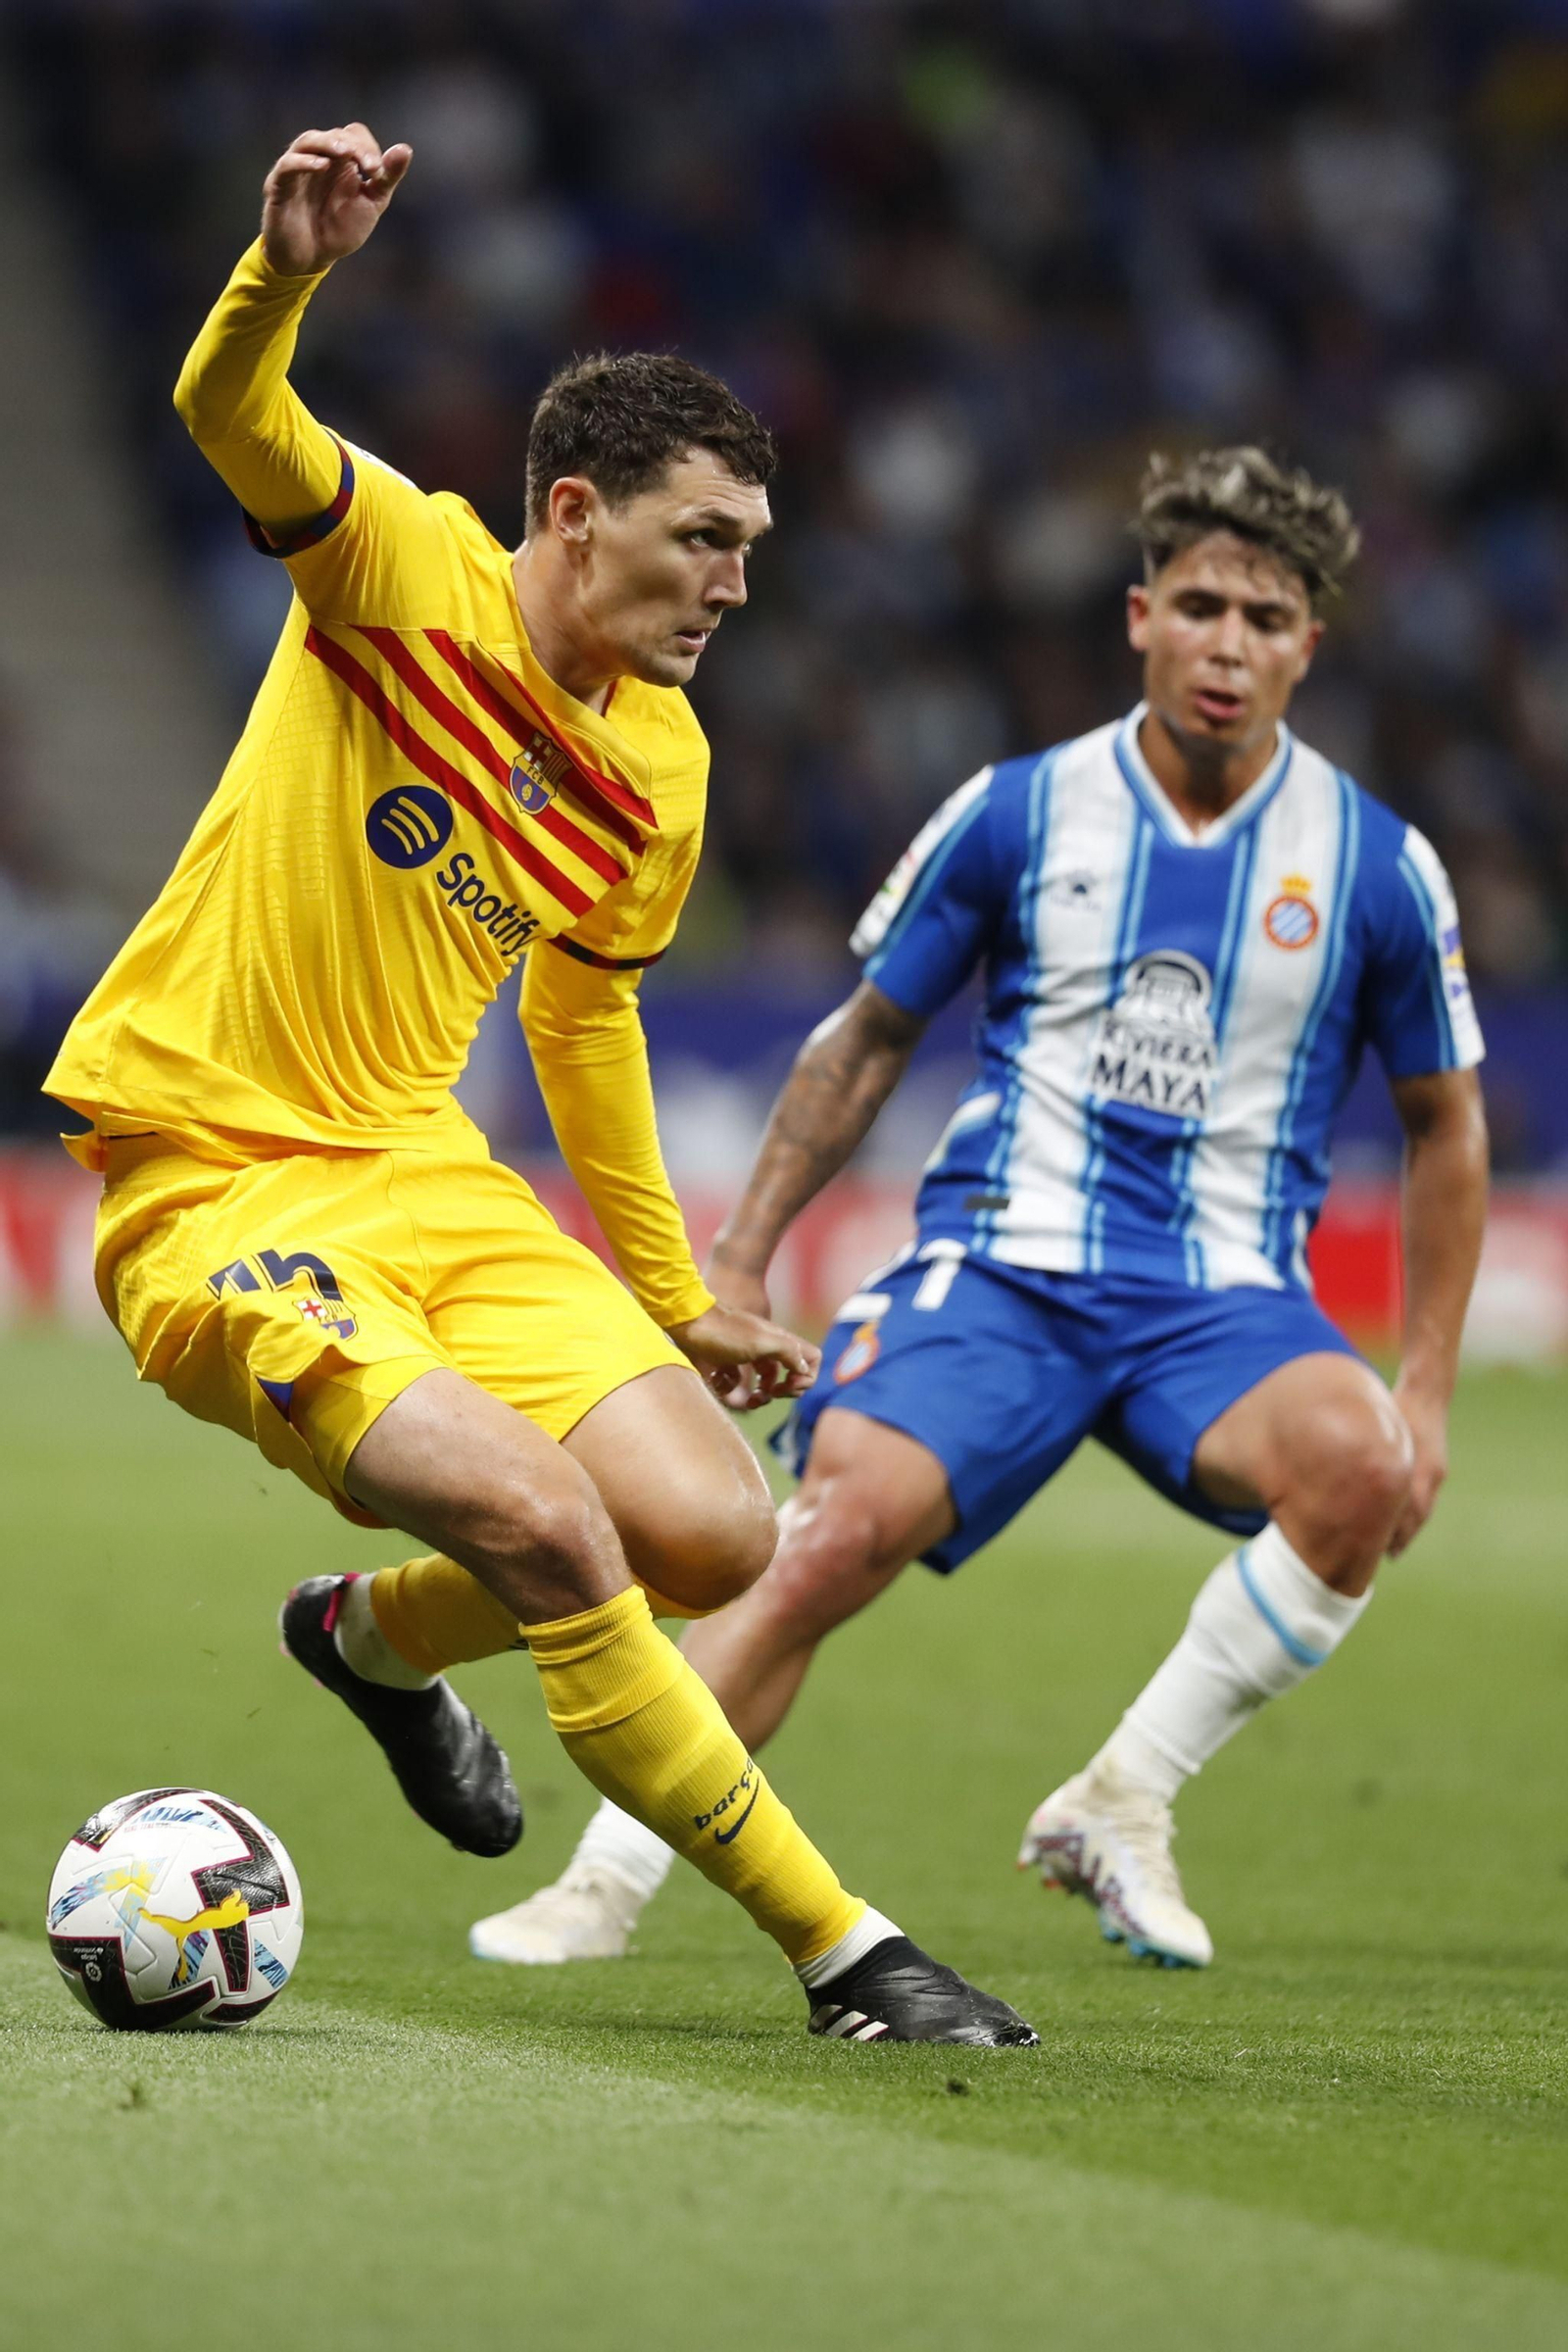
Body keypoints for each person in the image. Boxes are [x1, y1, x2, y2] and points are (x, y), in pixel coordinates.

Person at [44, 124, 1035, 2048]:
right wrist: (287, 268)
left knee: (712, 1539)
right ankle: (846, 1953)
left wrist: (674, 1288)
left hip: (433, 1183)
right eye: (704, 540)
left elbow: (585, 1028)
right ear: (573, 514)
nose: (734, 587)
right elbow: (223, 406)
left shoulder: (656, 766)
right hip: (222, 1189)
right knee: (554, 1528)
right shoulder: (397, 566)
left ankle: (364, 1636)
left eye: (752, 548)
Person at [478, 446, 1490, 1973]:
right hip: (1001, 1270)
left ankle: (1124, 1798)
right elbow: (864, 1041)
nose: (1229, 645)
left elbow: (1444, 1124)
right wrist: (738, 1255)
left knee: (1355, 1467)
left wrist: (1423, 1379)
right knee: (825, 1537)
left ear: (1308, 650)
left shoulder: (1377, 869)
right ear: (1140, 618)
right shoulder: (1020, 813)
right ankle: (605, 1884)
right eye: (1201, 607)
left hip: (1222, 1300)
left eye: (1265, 621)